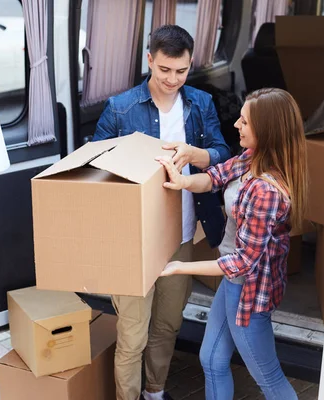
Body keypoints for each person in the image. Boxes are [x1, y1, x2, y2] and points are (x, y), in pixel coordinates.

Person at [92, 25, 231, 400]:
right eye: (164, 70)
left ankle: (154, 392)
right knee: (133, 332)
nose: (172, 79)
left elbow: (222, 154)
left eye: (181, 71)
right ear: (150, 60)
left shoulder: (200, 104)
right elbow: (91, 169)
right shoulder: (120, 108)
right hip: (131, 241)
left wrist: (194, 155)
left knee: (168, 325)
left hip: (181, 235)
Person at [156, 88, 308, 400]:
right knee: (211, 359)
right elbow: (215, 177)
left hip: (247, 291)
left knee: (270, 380)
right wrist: (183, 181)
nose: (236, 124)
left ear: (266, 131)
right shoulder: (253, 158)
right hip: (233, 282)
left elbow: (242, 262)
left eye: (245, 122)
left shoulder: (266, 191)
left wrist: (180, 267)